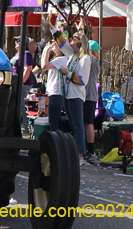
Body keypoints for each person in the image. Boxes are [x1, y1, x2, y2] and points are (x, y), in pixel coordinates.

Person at [63, 31, 92, 164]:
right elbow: (61, 43)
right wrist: (52, 28)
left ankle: (81, 154)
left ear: (80, 41)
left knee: (78, 126)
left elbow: (82, 80)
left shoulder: (85, 58)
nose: (70, 40)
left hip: (76, 96)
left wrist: (68, 74)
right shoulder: (72, 56)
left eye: (73, 38)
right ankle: (75, 152)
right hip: (68, 94)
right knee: (73, 125)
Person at [41, 29, 69, 134]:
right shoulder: (59, 59)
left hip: (56, 94)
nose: (53, 46)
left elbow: (44, 66)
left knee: (53, 122)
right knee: (55, 121)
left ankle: (57, 144)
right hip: (55, 93)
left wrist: (46, 50)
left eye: (55, 44)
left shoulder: (61, 59)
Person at [11, 36, 38, 133]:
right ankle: (18, 128)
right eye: (16, 41)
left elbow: (28, 69)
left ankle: (25, 130)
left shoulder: (26, 53)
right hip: (15, 83)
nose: (16, 42)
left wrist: (21, 82)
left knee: (20, 106)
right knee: (16, 105)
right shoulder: (17, 54)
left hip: (23, 83)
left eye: (18, 41)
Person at [84, 39, 102, 163]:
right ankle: (88, 148)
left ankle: (90, 150)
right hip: (91, 95)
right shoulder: (96, 61)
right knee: (87, 123)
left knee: (88, 123)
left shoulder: (91, 60)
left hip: (88, 95)